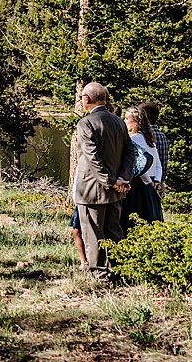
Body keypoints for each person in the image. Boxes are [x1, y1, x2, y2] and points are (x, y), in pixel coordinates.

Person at [69, 82, 133, 281]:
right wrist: (123, 178)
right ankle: (121, 271)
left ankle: (100, 275)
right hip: (115, 189)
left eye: (82, 97)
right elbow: (130, 153)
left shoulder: (86, 124)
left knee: (93, 234)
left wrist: (112, 181)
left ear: (87, 99)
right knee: (114, 230)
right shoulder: (118, 121)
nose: (81, 100)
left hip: (92, 190)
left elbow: (92, 158)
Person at [120, 107, 164, 231]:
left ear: (136, 122)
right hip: (149, 189)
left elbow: (139, 166)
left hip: (137, 187)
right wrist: (156, 180)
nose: (124, 121)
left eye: (127, 118)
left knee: (132, 223)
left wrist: (148, 181)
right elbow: (157, 164)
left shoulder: (133, 139)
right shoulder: (149, 140)